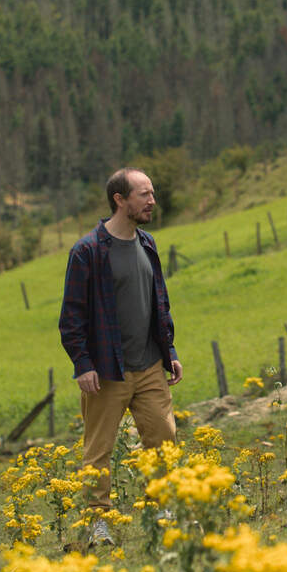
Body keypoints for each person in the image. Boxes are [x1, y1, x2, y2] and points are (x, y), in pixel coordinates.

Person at [60, 167, 183, 545]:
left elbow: (158, 302)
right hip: (107, 371)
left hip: (149, 367)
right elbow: (72, 316)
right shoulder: (88, 251)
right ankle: (98, 524)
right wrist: (83, 364)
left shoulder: (147, 243)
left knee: (164, 436)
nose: (152, 201)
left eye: (151, 193)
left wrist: (170, 350)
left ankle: (161, 510)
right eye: (144, 194)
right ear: (120, 199)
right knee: (99, 451)